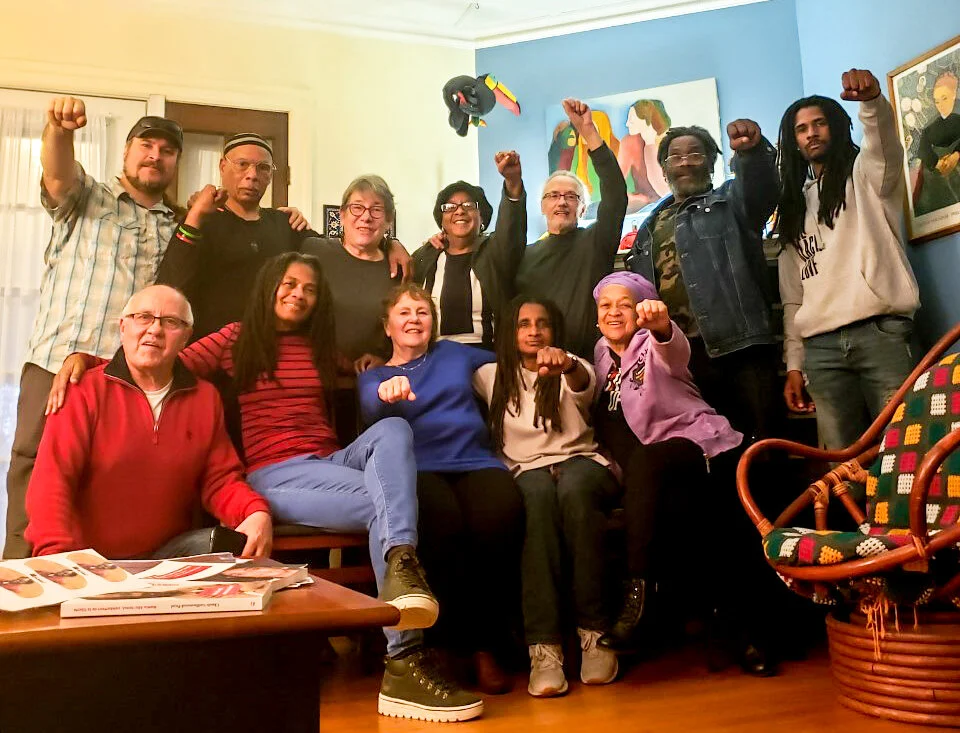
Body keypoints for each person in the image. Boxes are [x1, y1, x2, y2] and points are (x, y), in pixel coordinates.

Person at [48, 257, 479, 722]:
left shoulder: (318, 345)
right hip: (274, 473)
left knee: (394, 431)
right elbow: (160, 358)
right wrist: (87, 361)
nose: (298, 294)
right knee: (394, 505)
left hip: (330, 462)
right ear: (271, 286)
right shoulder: (236, 337)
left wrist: (365, 363)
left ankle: (400, 563)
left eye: (309, 289)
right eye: (289, 284)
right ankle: (404, 661)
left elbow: (351, 369)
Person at [4, 99, 184, 560]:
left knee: (107, 488)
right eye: (146, 144)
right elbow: (58, 173)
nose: (155, 155)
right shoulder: (89, 197)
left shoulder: (179, 226)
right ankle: (19, 601)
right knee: (34, 475)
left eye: (167, 150)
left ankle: (96, 605)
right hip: (56, 364)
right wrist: (58, 131)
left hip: (126, 376)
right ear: (126, 152)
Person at [590, 273, 779, 678]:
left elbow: (673, 351)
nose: (613, 312)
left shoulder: (649, 343)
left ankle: (639, 600)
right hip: (659, 471)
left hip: (698, 443)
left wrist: (661, 326)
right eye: (605, 305)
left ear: (640, 309)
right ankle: (729, 628)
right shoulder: (602, 354)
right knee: (680, 509)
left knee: (648, 464)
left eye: (624, 304)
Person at [359, 283, 525, 697]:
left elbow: (511, 357)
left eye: (422, 312)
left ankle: (488, 646)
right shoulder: (378, 374)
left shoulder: (454, 353)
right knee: (443, 525)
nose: (414, 319)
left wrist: (554, 355)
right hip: (420, 467)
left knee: (500, 513)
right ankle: (450, 647)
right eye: (404, 313)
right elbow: (370, 406)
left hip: (475, 460)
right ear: (387, 325)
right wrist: (386, 391)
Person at [26, 285, 273, 560]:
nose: (154, 330)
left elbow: (220, 479)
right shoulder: (83, 390)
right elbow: (52, 481)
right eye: (143, 317)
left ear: (186, 337)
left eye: (170, 322)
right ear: (123, 327)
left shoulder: (205, 398)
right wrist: (57, 556)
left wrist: (254, 511)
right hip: (87, 562)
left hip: (168, 560)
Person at [473, 296, 619, 697]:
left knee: (573, 492)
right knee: (535, 499)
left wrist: (566, 363)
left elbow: (583, 383)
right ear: (510, 332)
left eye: (542, 324)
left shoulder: (574, 365)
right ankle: (545, 647)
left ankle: (595, 635)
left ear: (555, 331)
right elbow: (444, 357)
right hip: (524, 470)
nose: (534, 331)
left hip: (582, 463)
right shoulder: (489, 375)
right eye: (523, 323)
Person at [777, 68, 920, 450]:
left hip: (880, 333)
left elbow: (885, 146)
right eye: (801, 128)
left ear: (836, 127)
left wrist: (872, 103)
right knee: (842, 465)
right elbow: (793, 296)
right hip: (820, 349)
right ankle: (857, 515)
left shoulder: (868, 178)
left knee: (903, 449)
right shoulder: (792, 207)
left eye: (820, 123)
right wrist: (795, 364)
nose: (811, 133)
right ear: (793, 141)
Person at [626, 118, 780, 447]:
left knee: (763, 448)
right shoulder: (648, 228)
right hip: (682, 360)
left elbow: (762, 191)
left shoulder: (732, 202)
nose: (685, 163)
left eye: (695, 154)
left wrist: (751, 153)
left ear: (711, 163)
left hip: (741, 349)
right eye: (675, 157)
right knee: (708, 451)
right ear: (664, 170)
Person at [155, 132, 318, 341]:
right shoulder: (201, 220)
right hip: (211, 352)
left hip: (272, 351)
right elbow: (172, 284)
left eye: (263, 167)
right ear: (223, 166)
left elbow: (331, 257)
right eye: (242, 164)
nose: (252, 175)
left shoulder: (284, 223)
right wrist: (195, 215)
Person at [515, 98, 628, 359]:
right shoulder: (525, 256)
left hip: (590, 361)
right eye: (553, 196)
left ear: (583, 208)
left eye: (571, 197)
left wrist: (588, 132)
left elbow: (615, 195)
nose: (562, 202)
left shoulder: (596, 241)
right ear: (542, 206)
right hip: (536, 363)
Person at [412, 150, 526, 349]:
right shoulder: (426, 256)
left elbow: (511, 228)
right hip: (431, 354)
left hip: (486, 355)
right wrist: (392, 243)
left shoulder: (495, 252)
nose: (459, 210)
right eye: (450, 207)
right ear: (442, 222)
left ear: (482, 218)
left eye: (468, 205)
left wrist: (513, 182)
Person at [301, 176, 408, 363]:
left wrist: (386, 360)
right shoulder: (313, 250)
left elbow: (405, 329)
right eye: (357, 207)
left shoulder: (399, 269)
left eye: (376, 210)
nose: (366, 217)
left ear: (389, 220)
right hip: (313, 374)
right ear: (342, 215)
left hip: (374, 380)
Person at [916, 71, 960, 215]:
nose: (941, 105)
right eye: (937, 101)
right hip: (938, 172)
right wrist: (936, 163)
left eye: (944, 98)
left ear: (954, 95)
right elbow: (923, 149)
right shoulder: (931, 126)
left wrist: (956, 156)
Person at [617, 99, 671, 211]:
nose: (627, 124)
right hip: (646, 203)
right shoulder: (632, 143)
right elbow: (617, 180)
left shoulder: (666, 143)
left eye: (632, 119)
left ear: (646, 120)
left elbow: (665, 191)